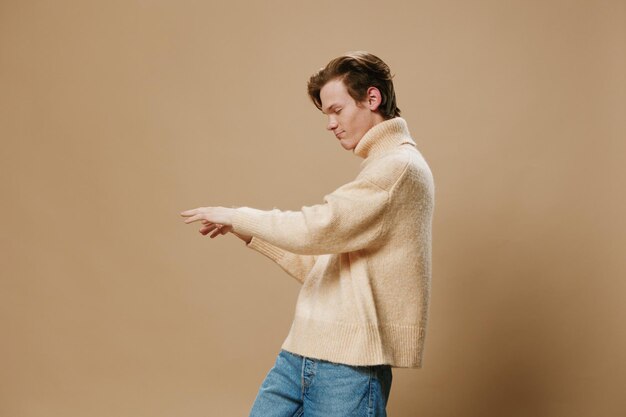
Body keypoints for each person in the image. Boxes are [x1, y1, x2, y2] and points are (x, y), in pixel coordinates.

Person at [180, 51, 435, 417]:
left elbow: (320, 227)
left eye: (337, 110)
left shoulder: (398, 169)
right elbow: (324, 268)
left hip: (348, 366)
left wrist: (240, 215)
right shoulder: (381, 168)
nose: (330, 123)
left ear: (372, 99)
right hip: (301, 352)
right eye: (326, 114)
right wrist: (246, 231)